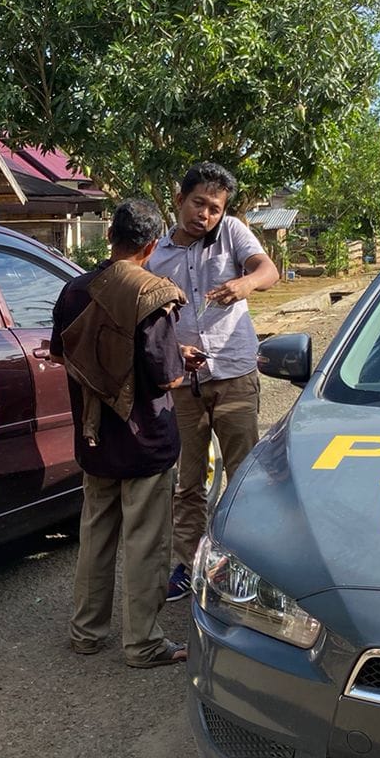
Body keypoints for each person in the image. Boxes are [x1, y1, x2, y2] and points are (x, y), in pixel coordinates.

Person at [50, 198, 190, 668]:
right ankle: (143, 643)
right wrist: (180, 357)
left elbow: (62, 352)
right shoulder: (152, 292)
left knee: (95, 537)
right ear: (151, 246)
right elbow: (166, 375)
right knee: (146, 543)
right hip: (143, 438)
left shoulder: (73, 289)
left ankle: (86, 633)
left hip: (94, 435)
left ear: (110, 237)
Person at [146, 162, 280, 601]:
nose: (206, 215)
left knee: (243, 475)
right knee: (187, 482)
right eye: (198, 203)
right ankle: (187, 564)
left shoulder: (233, 233)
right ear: (179, 201)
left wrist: (245, 284)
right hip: (184, 383)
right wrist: (174, 352)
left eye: (215, 208)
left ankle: (243, 565)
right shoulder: (155, 254)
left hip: (235, 374)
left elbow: (268, 270)